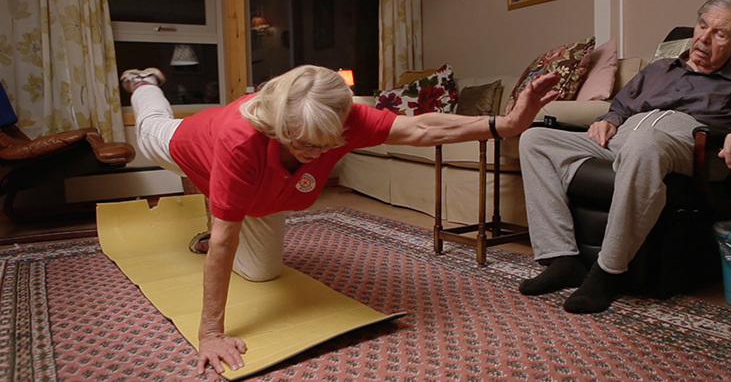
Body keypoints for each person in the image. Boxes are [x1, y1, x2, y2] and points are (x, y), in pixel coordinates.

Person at [120, 64, 560, 375]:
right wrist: (211, 333)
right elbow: (224, 242)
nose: (310, 155)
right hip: (185, 145)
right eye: (298, 143)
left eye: (321, 146)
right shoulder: (241, 140)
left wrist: (506, 124)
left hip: (259, 195)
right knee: (150, 128)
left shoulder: (348, 120)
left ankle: (220, 205)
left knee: (262, 272)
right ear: (278, 124)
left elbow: (422, 129)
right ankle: (143, 84)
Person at [517, 0, 731, 314]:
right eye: (702, 25)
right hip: (627, 136)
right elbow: (621, 105)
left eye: (719, 33)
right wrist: (609, 119)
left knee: (644, 142)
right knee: (535, 139)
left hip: (688, 144)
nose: (703, 38)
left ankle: (608, 271)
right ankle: (562, 259)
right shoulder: (659, 69)